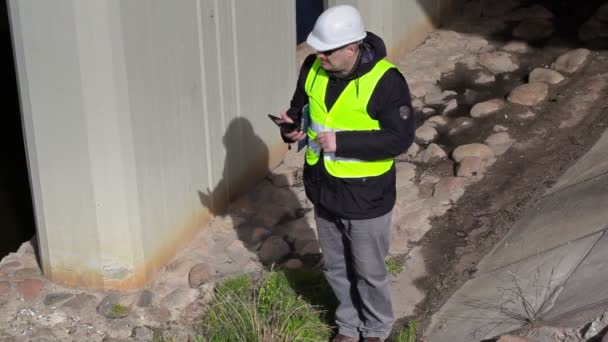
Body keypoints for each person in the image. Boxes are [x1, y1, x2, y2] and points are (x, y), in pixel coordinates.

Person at [277, 4, 415, 342]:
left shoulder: (386, 81)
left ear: (352, 47)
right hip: (323, 188)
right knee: (337, 267)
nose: (319, 55)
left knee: (369, 271)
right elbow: (301, 109)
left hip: (366, 195)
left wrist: (342, 142)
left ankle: (377, 329)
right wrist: (291, 129)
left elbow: (400, 138)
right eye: (317, 49)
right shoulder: (312, 67)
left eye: (327, 50)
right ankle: (350, 327)